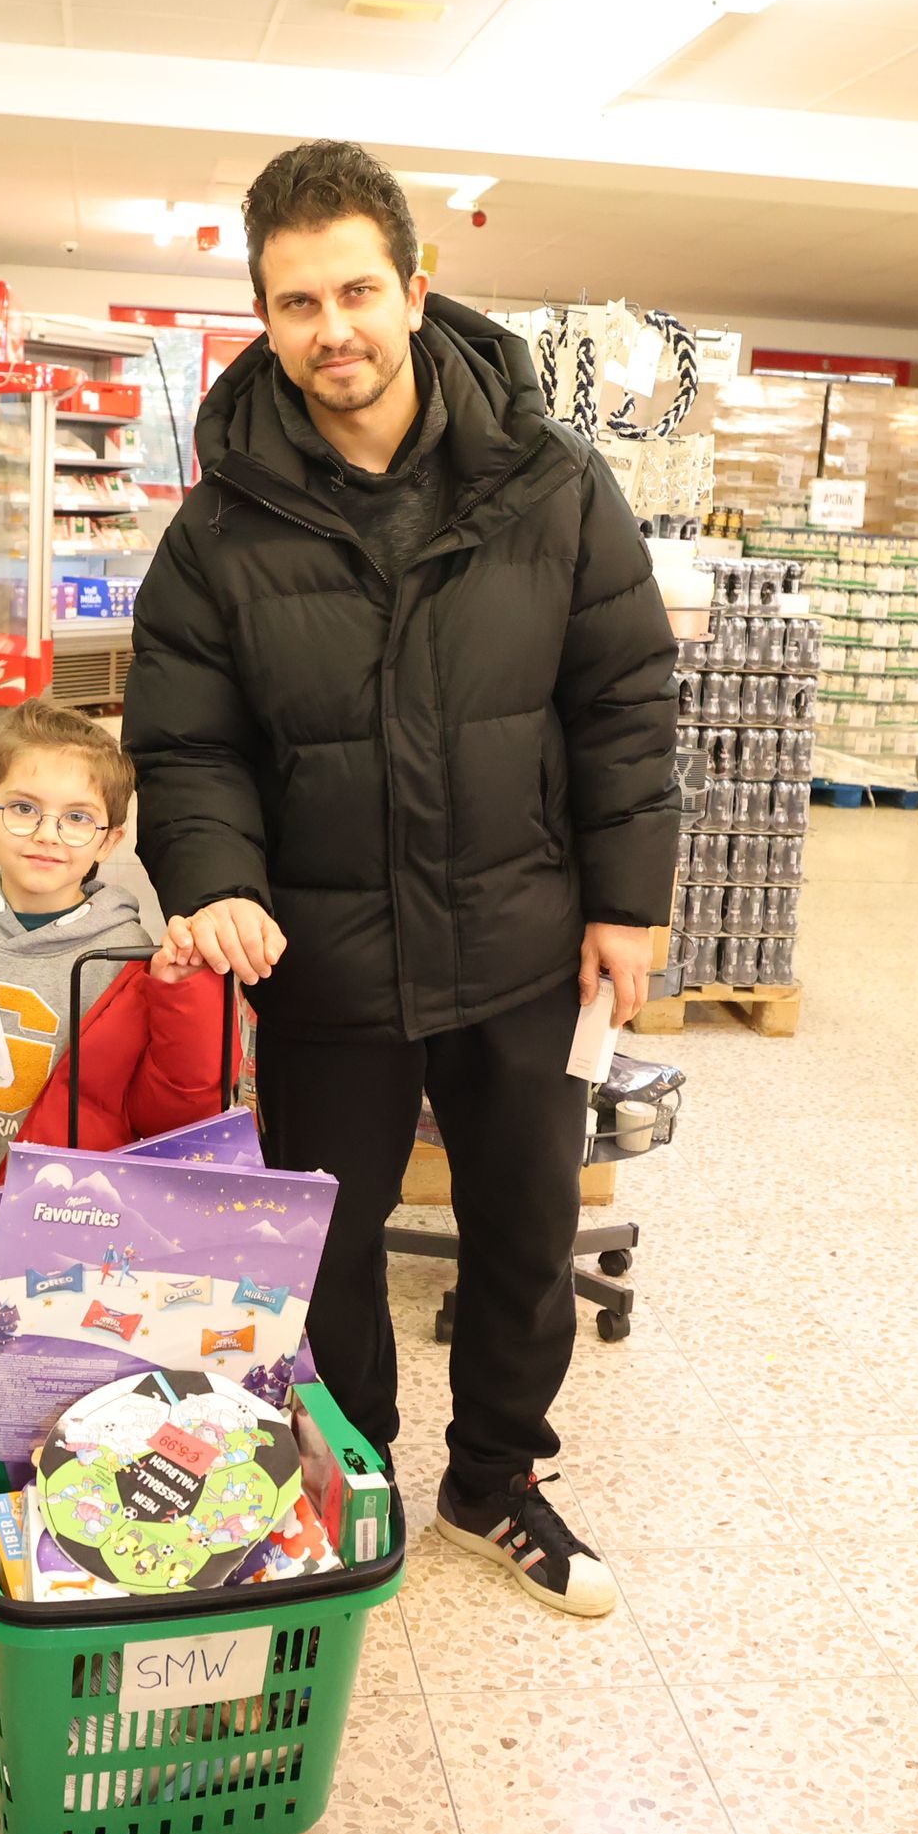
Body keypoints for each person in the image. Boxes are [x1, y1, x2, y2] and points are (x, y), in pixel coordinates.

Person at [126, 139, 678, 1620]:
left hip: (522, 931)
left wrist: (628, 896)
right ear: (263, 315)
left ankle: (498, 1473)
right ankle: (352, 1471)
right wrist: (216, 873)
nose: (333, 330)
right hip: (326, 954)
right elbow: (186, 739)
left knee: (521, 1226)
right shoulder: (222, 526)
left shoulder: (551, 485)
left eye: (357, 289)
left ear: (417, 289)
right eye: (296, 302)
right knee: (330, 1239)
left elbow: (623, 694)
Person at [0, 699, 227, 1681]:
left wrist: (186, 988)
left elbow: (176, 1107)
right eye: (22, 809)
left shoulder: (132, 953)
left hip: (73, 1248)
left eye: (74, 818)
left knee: (79, 1419)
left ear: (110, 835)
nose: (45, 834)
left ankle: (78, 1570)